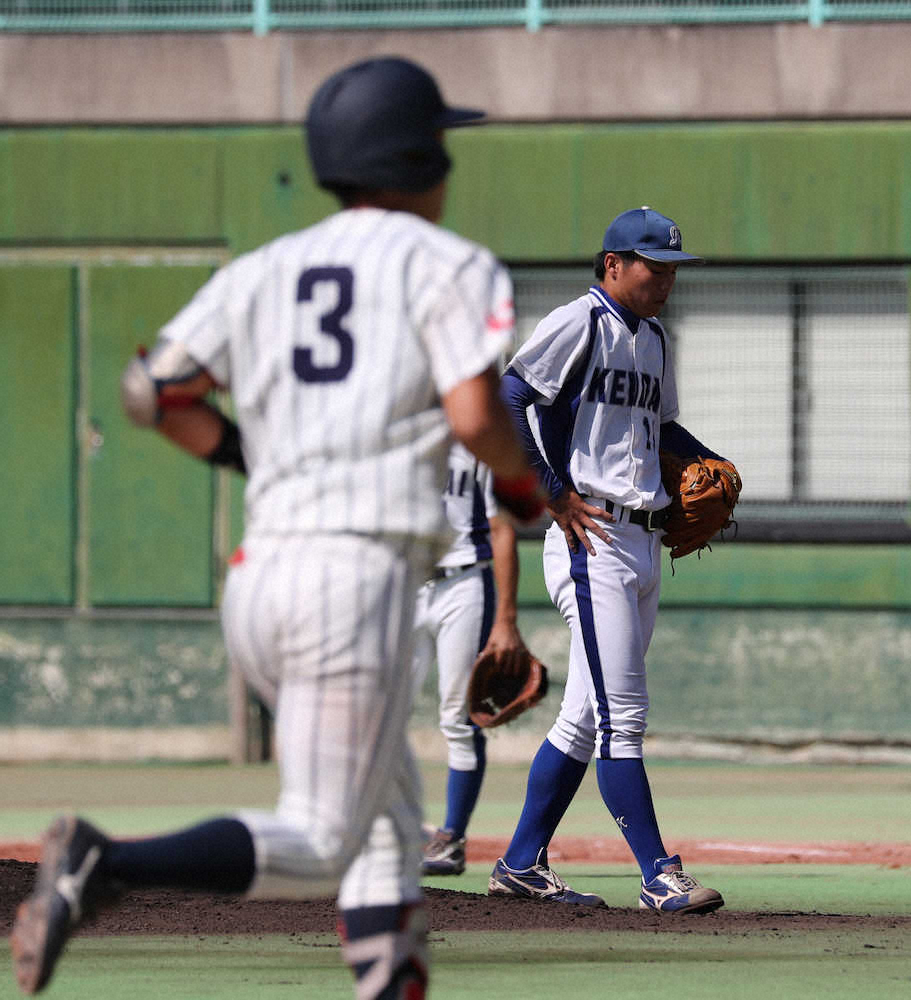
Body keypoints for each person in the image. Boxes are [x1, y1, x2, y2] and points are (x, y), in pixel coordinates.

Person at [10, 56, 545, 999]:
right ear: (419, 158)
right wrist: (522, 485)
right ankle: (107, 865)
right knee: (325, 837)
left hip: (260, 579)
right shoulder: (447, 262)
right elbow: (473, 416)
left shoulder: (264, 268)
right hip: (355, 581)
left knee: (386, 831)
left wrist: (249, 455)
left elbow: (150, 392)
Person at [487, 207, 728, 915]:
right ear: (614, 264)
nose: (665, 281)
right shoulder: (579, 322)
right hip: (591, 540)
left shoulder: (654, 337)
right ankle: (658, 874)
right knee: (623, 717)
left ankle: (520, 863)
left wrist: (710, 460)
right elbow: (510, 398)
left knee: (584, 720)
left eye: (673, 269)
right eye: (654, 267)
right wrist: (552, 492)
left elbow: (660, 427)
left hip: (644, 539)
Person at [413, 443, 528, 876]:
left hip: (463, 584)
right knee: (378, 715)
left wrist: (506, 620)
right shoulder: (391, 434)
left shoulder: (479, 440)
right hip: (404, 583)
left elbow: (502, 529)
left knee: (458, 717)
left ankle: (451, 839)